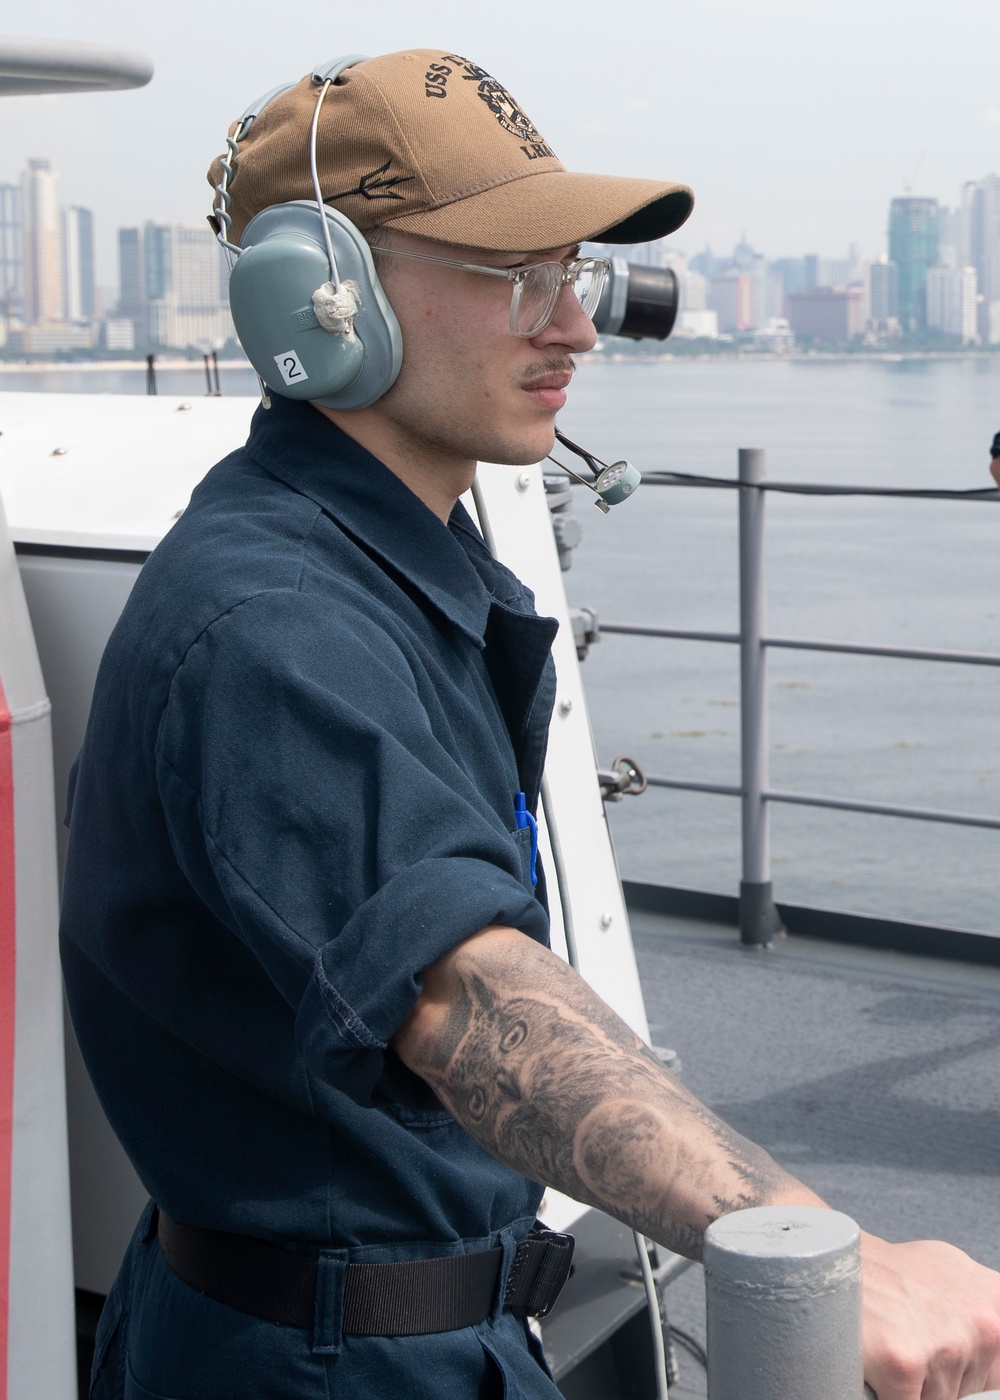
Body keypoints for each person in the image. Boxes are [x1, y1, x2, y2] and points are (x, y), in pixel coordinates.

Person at [60, 49, 1000, 1400]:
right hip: (333, 1360)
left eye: (576, 274)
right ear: (318, 299)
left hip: (418, 1319)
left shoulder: (388, 565)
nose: (575, 328)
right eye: (518, 278)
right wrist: (812, 1249)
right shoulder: (275, 624)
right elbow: (461, 999)